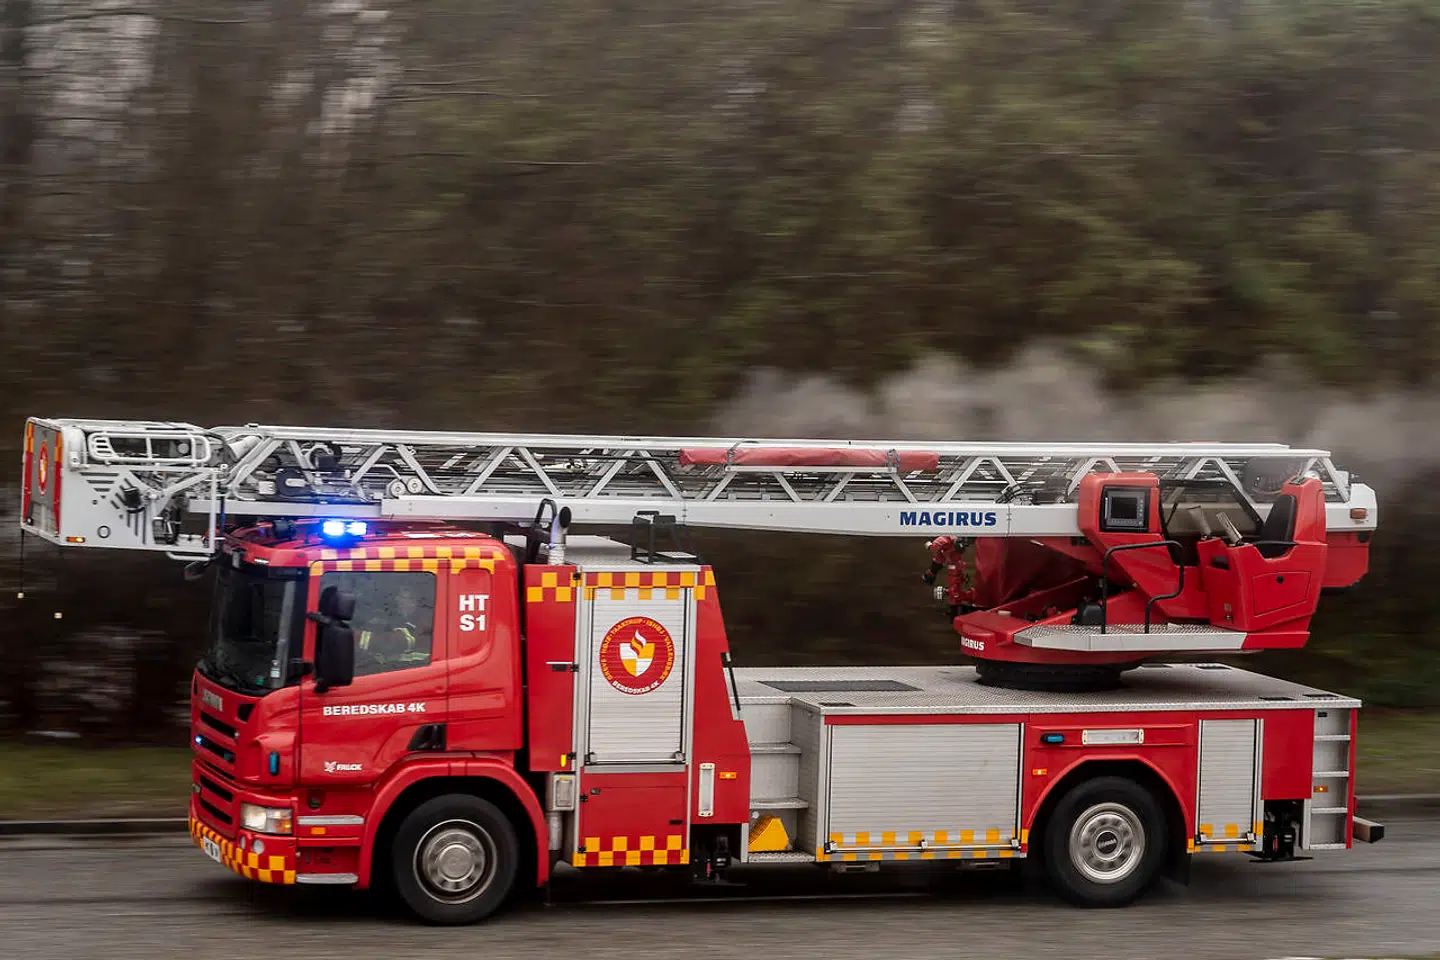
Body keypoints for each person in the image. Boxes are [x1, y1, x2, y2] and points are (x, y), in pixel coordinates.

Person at [358, 584, 430, 668]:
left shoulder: (425, 619)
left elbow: (390, 644)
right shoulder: (393, 617)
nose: (399, 600)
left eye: (405, 598)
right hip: (392, 669)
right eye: (399, 597)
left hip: (417, 668)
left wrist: (349, 636)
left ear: (416, 601)